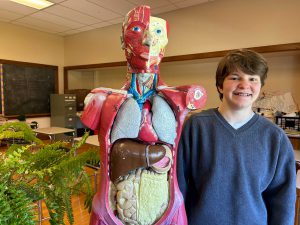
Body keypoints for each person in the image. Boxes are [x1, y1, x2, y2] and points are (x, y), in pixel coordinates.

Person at [81, 5, 207, 225]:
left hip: (165, 207)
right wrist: (154, 154)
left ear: (165, 43)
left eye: (158, 33)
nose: (149, 40)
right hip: (115, 208)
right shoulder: (102, 99)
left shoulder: (178, 99)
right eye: (138, 30)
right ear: (123, 40)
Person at [177, 49, 296, 225]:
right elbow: (178, 185)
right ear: (220, 85)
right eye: (235, 77)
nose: (244, 85)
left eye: (252, 79)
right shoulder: (196, 126)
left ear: (260, 86)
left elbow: (282, 200)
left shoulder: (275, 138)